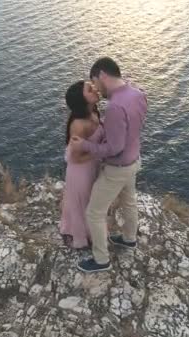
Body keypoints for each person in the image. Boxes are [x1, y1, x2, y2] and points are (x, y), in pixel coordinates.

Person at [70, 57, 147, 273]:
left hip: (118, 168)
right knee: (129, 201)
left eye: (94, 80)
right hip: (134, 160)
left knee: (94, 212)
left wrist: (85, 145)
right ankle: (129, 239)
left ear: (102, 75)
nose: (95, 87)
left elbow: (114, 148)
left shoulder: (115, 107)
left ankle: (101, 259)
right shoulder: (137, 93)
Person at [59, 80, 104, 249]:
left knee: (92, 202)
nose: (94, 89)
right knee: (84, 204)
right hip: (81, 171)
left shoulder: (94, 112)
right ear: (81, 99)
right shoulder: (78, 125)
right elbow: (76, 158)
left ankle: (93, 234)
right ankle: (82, 237)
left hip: (93, 166)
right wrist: (101, 151)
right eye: (89, 89)